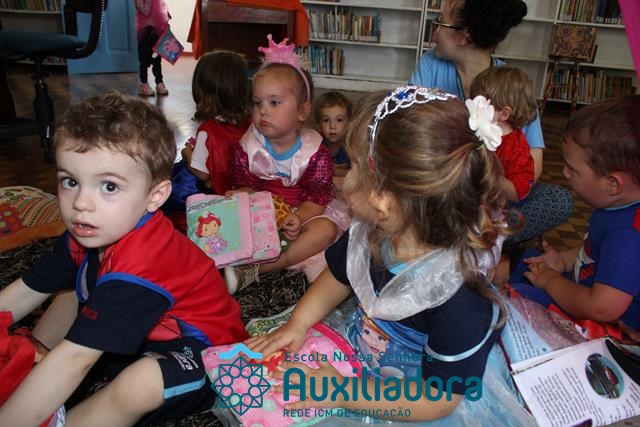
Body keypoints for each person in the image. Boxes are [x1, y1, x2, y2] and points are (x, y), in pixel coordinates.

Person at [247, 86, 523, 424]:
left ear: (383, 200)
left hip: (415, 396)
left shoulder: (460, 299)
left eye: (353, 167)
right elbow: (339, 276)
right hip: (370, 350)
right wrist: (299, 323)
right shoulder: (372, 232)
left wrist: (342, 393)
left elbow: (439, 402)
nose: (345, 177)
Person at [0, 92, 247, 426]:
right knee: (70, 293)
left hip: (205, 354)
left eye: (109, 187)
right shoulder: (86, 233)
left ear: (155, 196)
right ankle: (35, 363)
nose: (81, 203)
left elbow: (77, 358)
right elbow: (27, 289)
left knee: (139, 384)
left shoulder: (142, 265)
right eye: (70, 182)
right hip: (142, 334)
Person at [410, 0, 573, 244]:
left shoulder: (512, 85)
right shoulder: (430, 64)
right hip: (445, 188)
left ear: (464, 36)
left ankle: (469, 240)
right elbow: (410, 132)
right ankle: (487, 243)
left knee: (558, 200)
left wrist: (495, 185)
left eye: (440, 24)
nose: (433, 34)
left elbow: (533, 167)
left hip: (497, 196)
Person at [225, 35, 350, 293]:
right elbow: (244, 187)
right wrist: (243, 199)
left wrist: (298, 217)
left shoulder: (314, 152)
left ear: (302, 111)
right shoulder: (248, 147)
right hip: (262, 213)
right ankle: (254, 256)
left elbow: (317, 198)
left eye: (274, 102)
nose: (263, 110)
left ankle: (258, 269)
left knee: (325, 230)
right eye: (257, 103)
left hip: (303, 213)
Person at [508, 95, 640, 337]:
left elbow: (601, 308)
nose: (565, 172)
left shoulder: (628, 235)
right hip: (583, 290)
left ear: (612, 184)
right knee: (527, 261)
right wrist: (563, 260)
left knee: (518, 299)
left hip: (607, 328)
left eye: (572, 169)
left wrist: (550, 281)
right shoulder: (618, 205)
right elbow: (598, 253)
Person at [181, 50, 252, 195]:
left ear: (201, 91)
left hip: (221, 196)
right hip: (250, 192)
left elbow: (202, 173)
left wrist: (187, 153)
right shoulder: (252, 123)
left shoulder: (208, 130)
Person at [470, 66, 536, 203]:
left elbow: (517, 193)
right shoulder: (473, 130)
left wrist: (488, 171)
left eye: (480, 106)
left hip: (498, 205)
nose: (473, 110)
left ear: (504, 113)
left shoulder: (517, 147)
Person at [135, 0, 171, 96]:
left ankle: (159, 82)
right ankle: (144, 84)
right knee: (144, 59)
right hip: (145, 31)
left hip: (156, 30)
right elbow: (145, 11)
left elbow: (161, 7)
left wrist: (165, 15)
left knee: (156, 59)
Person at [314, 91, 353, 176]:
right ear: (318, 125)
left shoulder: (352, 146)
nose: (332, 126)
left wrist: (332, 171)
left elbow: (359, 173)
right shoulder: (315, 146)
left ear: (349, 123)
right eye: (326, 120)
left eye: (339, 120)